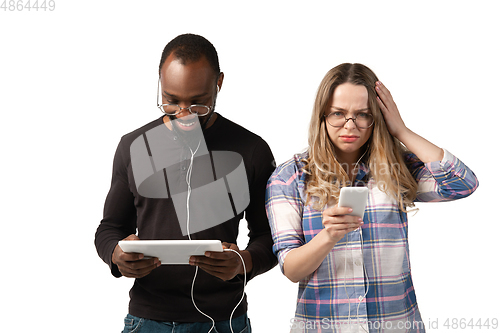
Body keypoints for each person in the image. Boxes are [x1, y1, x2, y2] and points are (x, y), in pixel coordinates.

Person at [265, 63, 478, 333]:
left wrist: (401, 130)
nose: (350, 125)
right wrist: (328, 236)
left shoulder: (396, 168)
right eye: (338, 114)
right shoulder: (289, 177)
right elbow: (291, 269)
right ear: (322, 115)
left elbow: (462, 183)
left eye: (363, 115)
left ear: (377, 117)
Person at [95, 33, 277, 333]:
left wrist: (243, 262)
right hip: (147, 319)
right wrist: (116, 255)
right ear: (160, 82)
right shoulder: (133, 146)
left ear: (218, 84)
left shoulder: (251, 149)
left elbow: (271, 238)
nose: (184, 115)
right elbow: (109, 228)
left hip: (223, 321)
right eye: (171, 101)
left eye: (198, 104)